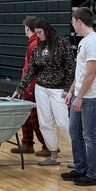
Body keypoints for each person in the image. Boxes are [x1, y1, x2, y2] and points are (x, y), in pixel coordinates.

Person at [15, 20, 75, 165]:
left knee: (63, 123)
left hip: (58, 89)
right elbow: (31, 69)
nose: (38, 35)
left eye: (40, 32)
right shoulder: (39, 46)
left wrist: (67, 90)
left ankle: (79, 155)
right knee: (45, 123)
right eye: (36, 32)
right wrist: (20, 88)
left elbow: (71, 68)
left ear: (47, 30)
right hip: (41, 88)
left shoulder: (62, 43)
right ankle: (53, 155)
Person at [62, 8, 96, 187]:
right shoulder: (84, 42)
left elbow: (91, 73)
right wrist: (72, 91)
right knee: (75, 133)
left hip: (91, 98)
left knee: (90, 136)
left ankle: (95, 175)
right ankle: (81, 168)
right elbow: (80, 73)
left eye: (73, 21)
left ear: (79, 21)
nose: (72, 24)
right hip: (80, 96)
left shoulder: (94, 43)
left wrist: (79, 97)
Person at [13, 16, 49, 158]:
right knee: (27, 116)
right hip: (29, 85)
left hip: (32, 86)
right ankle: (27, 143)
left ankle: (47, 145)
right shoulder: (33, 43)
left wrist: (28, 86)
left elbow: (34, 69)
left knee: (36, 117)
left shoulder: (34, 44)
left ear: (27, 28)